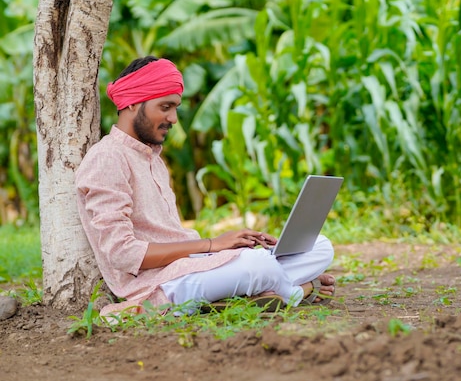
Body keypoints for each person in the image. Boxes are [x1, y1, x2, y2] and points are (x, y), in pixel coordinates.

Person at [75, 56, 336, 316]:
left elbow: (172, 238)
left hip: (192, 266)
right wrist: (212, 245)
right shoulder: (107, 157)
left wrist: (228, 245)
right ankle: (299, 290)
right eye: (165, 107)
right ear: (132, 103)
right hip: (160, 284)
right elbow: (122, 254)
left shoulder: (152, 159)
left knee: (320, 246)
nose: (173, 118)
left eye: (175, 108)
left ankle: (252, 290)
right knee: (258, 265)